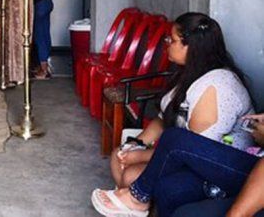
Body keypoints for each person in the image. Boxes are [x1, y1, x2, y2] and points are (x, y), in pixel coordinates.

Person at [107, 13, 254, 189]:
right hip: (181, 153)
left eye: (172, 40)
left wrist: (140, 156)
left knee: (132, 176)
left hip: (215, 166)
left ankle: (135, 201)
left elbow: (195, 149)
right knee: (118, 156)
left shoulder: (217, 86)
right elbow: (163, 119)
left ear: (191, 47)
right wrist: (135, 145)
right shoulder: (187, 74)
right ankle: (134, 205)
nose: (166, 44)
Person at [92, 116, 264, 217]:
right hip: (254, 159)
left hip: (257, 174)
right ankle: (138, 197)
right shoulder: (185, 81)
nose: (166, 51)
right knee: (167, 188)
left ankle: (137, 196)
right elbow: (161, 119)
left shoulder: (216, 82)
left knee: (175, 139)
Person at [32, 0, 53, 80]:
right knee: (45, 34)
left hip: (39, 4)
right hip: (47, 2)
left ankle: (44, 71)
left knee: (39, 36)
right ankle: (44, 65)